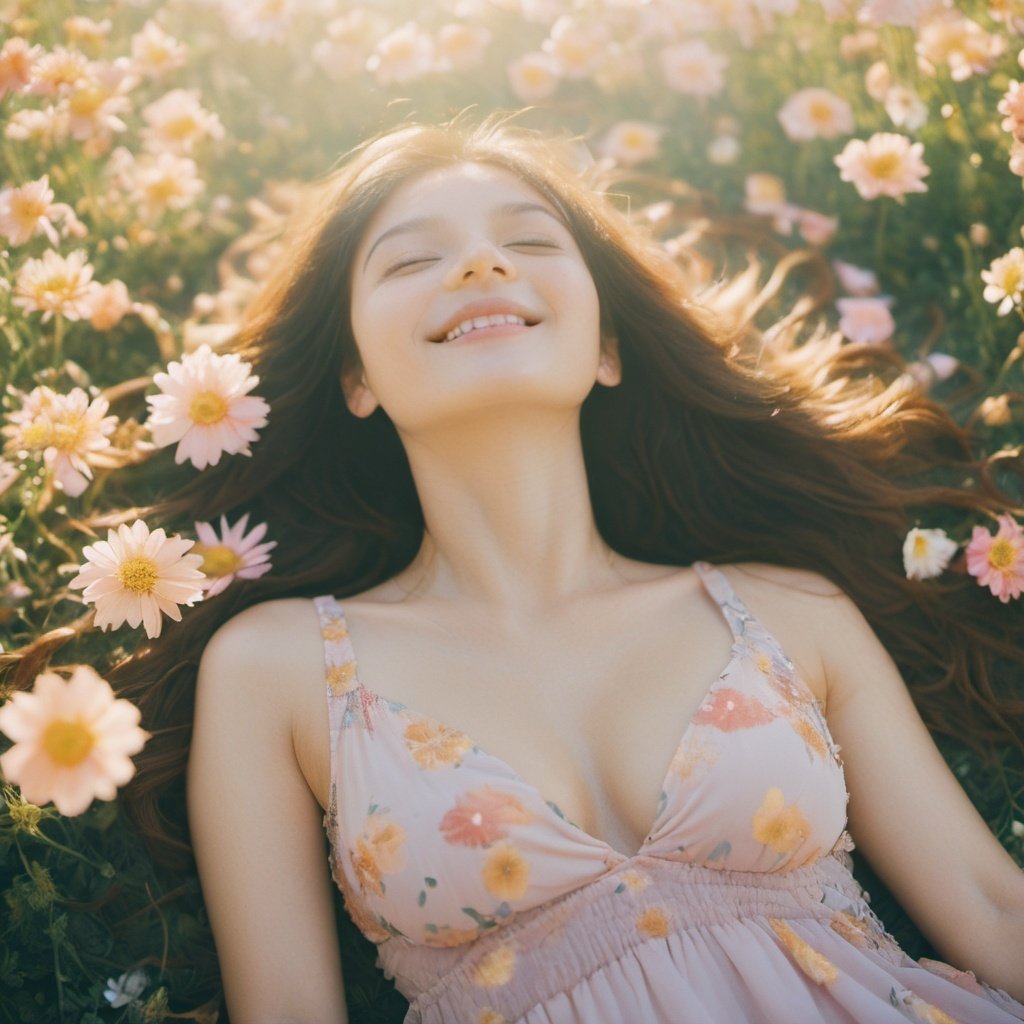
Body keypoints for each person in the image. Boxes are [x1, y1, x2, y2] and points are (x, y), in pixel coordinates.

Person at [116, 114, 1024, 1023]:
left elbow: (990, 905)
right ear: (357, 377)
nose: (481, 265)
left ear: (606, 347)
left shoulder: (785, 608)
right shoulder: (280, 670)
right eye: (410, 261)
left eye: (526, 240)